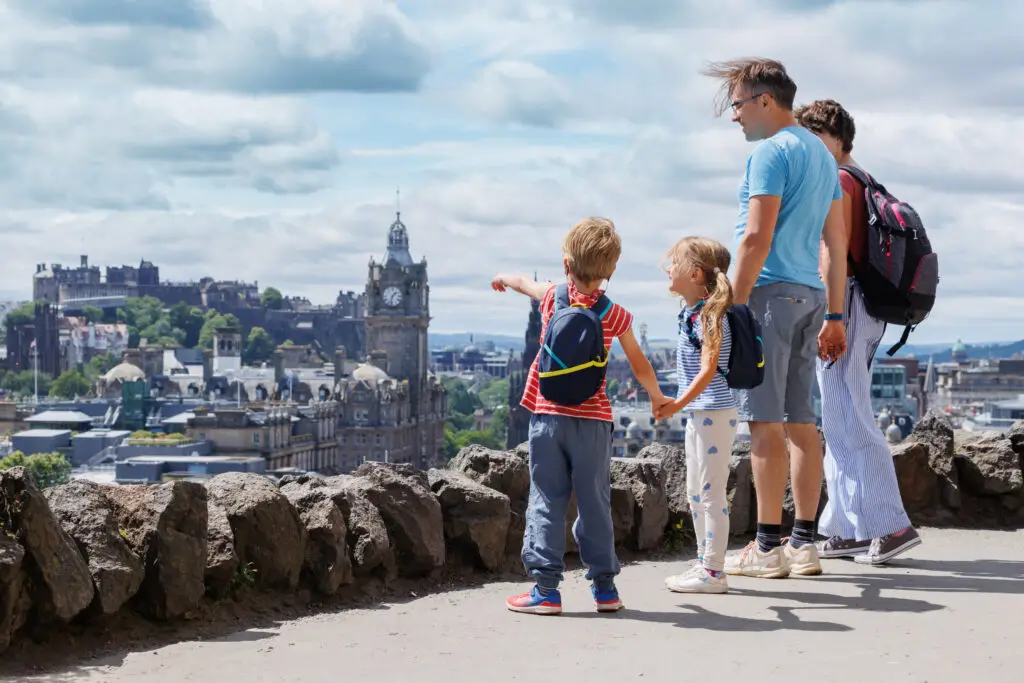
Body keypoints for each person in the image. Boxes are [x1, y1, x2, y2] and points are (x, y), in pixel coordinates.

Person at [700, 58, 848, 579]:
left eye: (738, 104)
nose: (735, 116)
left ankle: (766, 548)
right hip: (810, 296)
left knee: (764, 423)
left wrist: (730, 308)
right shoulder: (821, 154)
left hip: (769, 295)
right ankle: (804, 543)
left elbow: (754, 238)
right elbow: (836, 243)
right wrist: (836, 314)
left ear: (765, 100)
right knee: (802, 423)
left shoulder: (770, 153)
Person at [491, 217, 669, 614]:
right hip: (594, 421)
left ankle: (546, 590)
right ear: (611, 270)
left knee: (546, 499)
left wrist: (504, 276)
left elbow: (524, 283)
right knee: (594, 501)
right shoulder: (616, 314)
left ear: (566, 264)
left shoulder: (554, 297)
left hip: (548, 417)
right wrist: (656, 396)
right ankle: (605, 589)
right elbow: (639, 364)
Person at [795, 99, 922, 565]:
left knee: (852, 415)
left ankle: (891, 525)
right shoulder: (864, 180)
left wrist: (832, 318)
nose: (809, 146)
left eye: (815, 136)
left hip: (845, 301)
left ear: (836, 138)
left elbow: (835, 251)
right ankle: (848, 527)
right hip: (857, 304)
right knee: (839, 417)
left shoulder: (840, 180)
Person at [655, 237, 739, 594]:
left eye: (674, 263)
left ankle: (714, 571)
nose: (667, 268)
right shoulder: (694, 311)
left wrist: (676, 402)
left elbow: (708, 369)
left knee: (710, 493)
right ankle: (705, 562)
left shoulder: (709, 313)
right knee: (695, 491)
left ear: (693, 273)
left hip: (713, 411)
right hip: (701, 412)